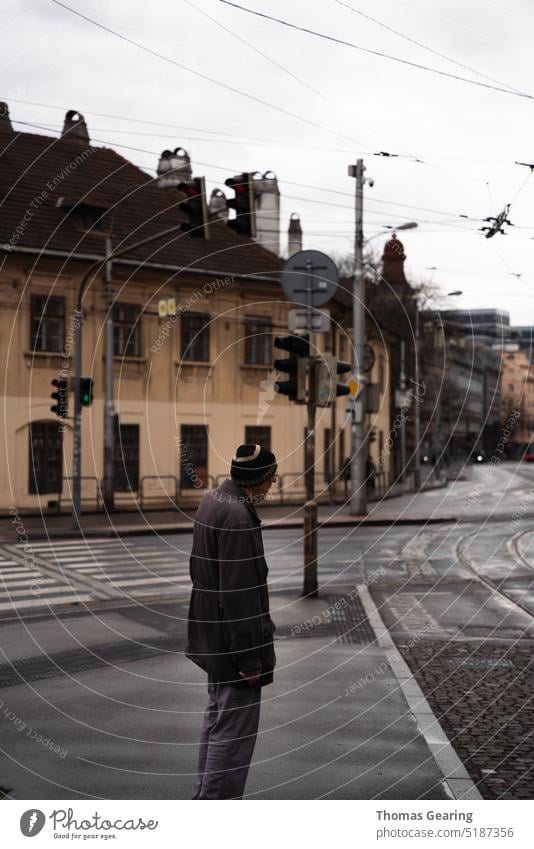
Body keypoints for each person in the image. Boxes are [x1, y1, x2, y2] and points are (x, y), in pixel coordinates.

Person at [186, 443, 278, 800]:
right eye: (271, 480)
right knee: (233, 734)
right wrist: (249, 658)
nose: (272, 488)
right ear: (262, 480)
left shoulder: (212, 500)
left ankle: (204, 799)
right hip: (233, 643)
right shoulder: (239, 516)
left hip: (212, 633)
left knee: (217, 721)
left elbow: (198, 570)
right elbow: (241, 596)